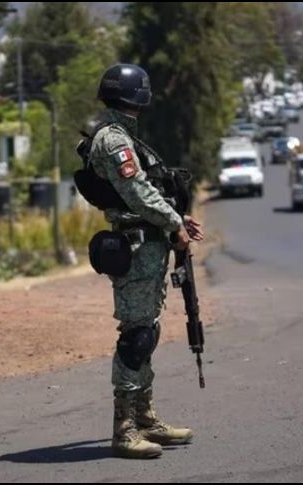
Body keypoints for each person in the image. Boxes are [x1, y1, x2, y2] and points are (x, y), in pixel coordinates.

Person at [87, 64, 204, 459]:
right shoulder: (114, 140)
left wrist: (178, 219)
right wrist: (174, 222)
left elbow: (146, 192)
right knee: (136, 338)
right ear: (139, 95)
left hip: (149, 245)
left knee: (147, 333)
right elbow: (136, 192)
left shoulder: (126, 138)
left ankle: (146, 419)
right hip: (136, 248)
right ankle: (124, 430)